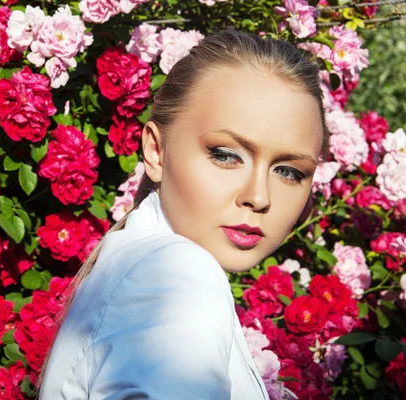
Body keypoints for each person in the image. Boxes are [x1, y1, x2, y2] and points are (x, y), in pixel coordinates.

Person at [36, 26, 330, 400]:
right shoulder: (179, 272)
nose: (258, 197)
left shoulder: (135, 261)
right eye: (225, 155)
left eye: (289, 171)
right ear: (157, 152)